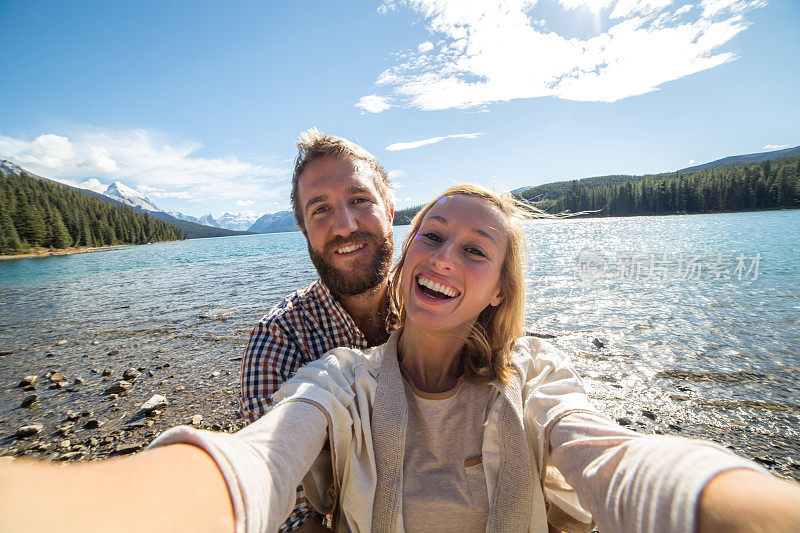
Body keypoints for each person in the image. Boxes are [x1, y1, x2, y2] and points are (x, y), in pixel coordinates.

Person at [2, 185, 800, 533]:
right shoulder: (339, 376)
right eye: (432, 233)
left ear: (496, 290)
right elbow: (259, 460)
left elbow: (624, 466)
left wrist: (738, 506)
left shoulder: (538, 380)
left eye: (475, 248)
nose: (444, 254)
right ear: (407, 250)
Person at [238, 128, 398, 531]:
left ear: (391, 210)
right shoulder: (279, 340)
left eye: (360, 200)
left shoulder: (440, 301)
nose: (344, 226)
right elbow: (285, 506)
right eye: (320, 210)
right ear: (304, 229)